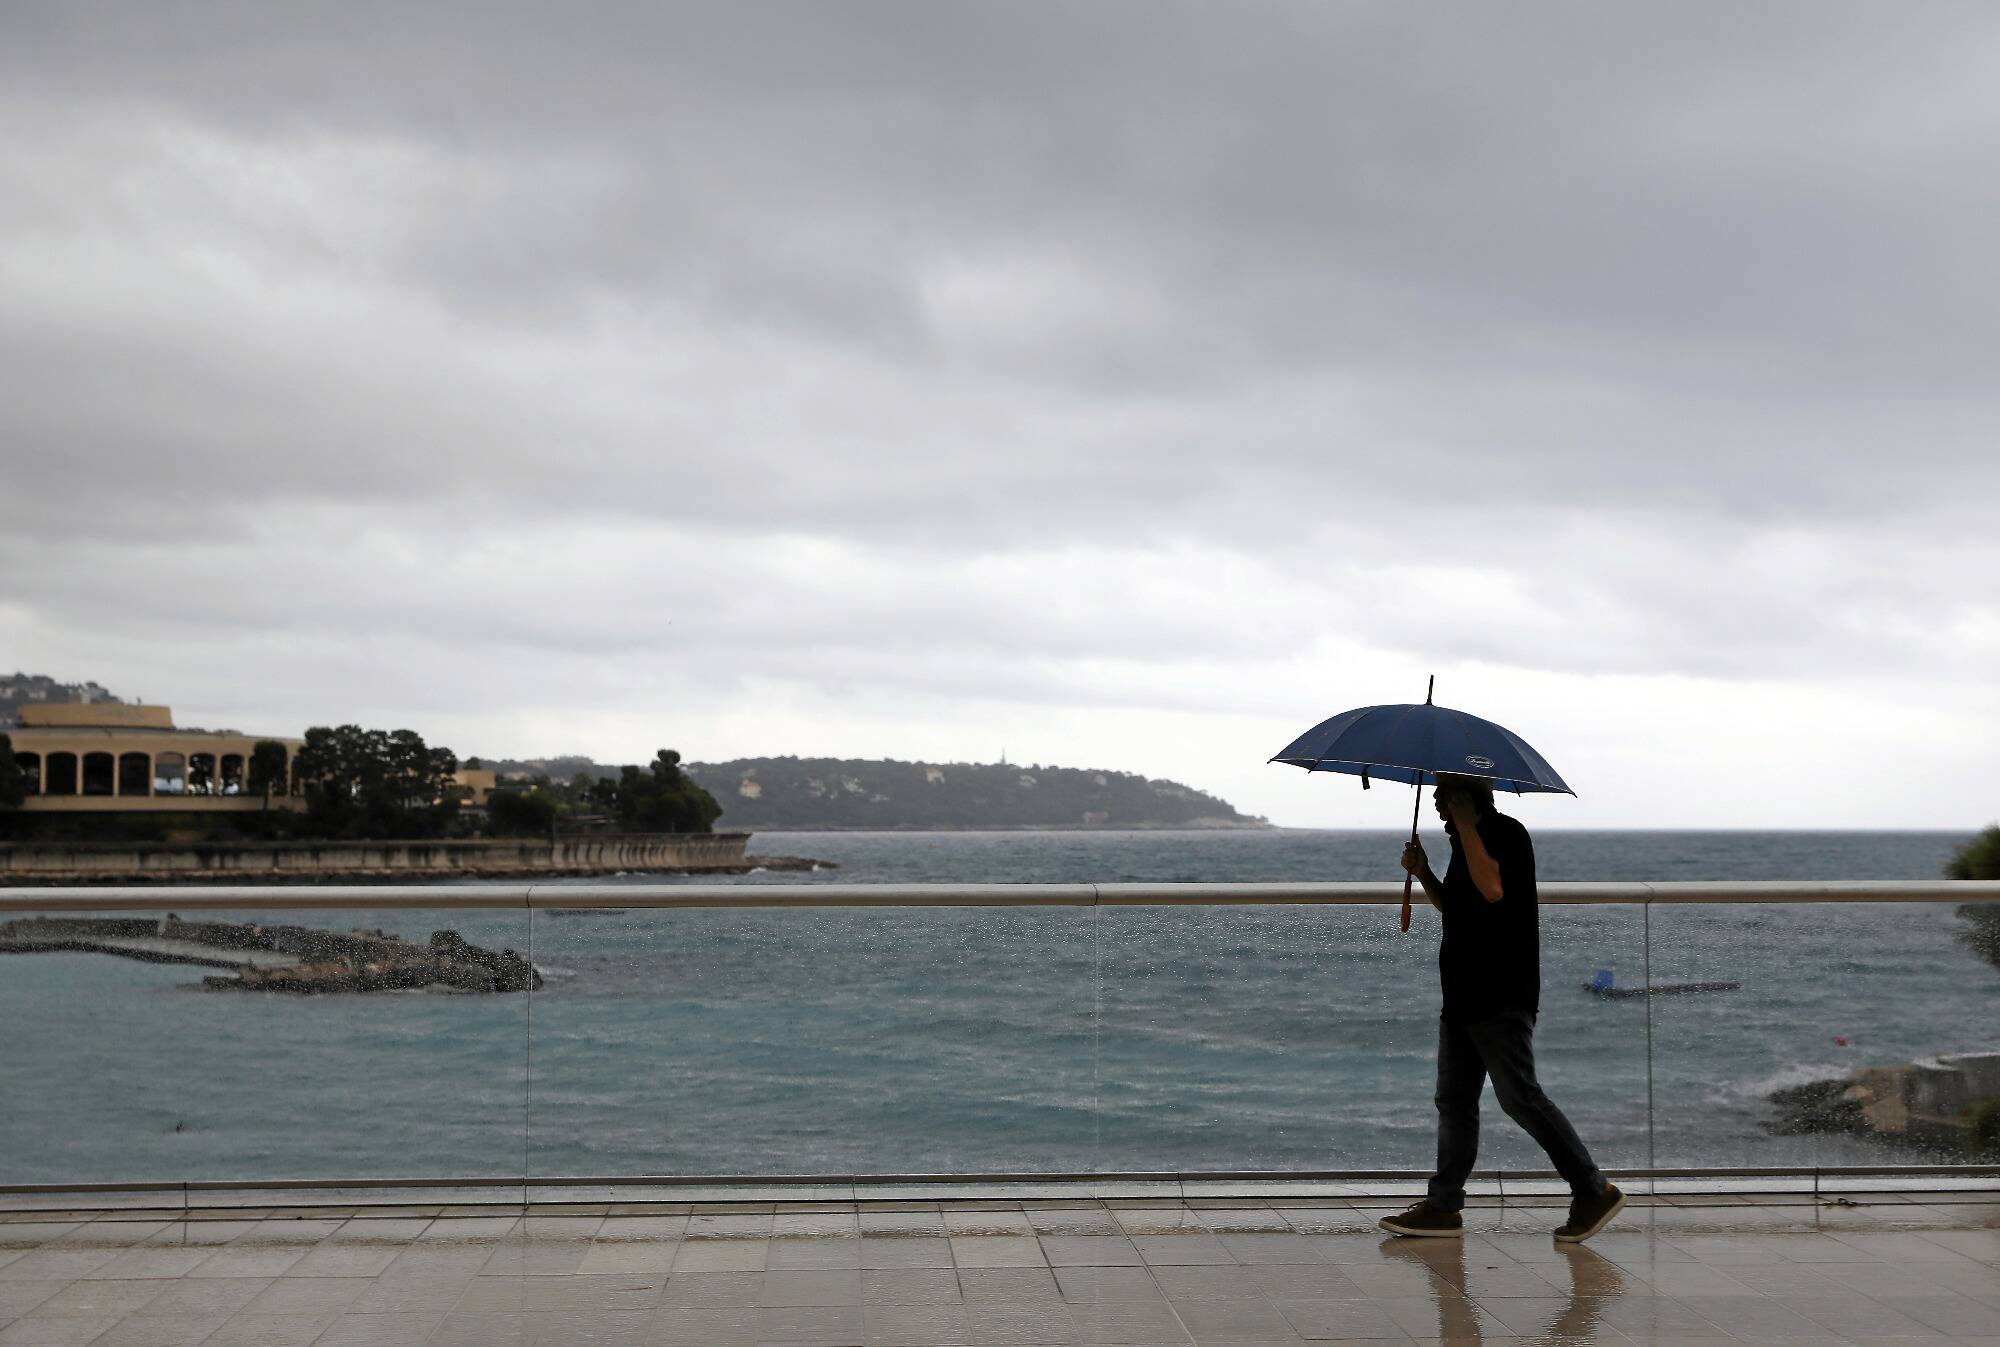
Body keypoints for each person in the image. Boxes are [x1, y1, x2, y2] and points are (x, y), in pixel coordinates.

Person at [1378, 772, 1624, 1242]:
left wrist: (1469, 827)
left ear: (1464, 798)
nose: (1433, 797)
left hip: (1499, 993)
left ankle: (1593, 1189)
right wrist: (1425, 871)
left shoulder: (1504, 833)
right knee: (1454, 1102)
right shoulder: (1463, 841)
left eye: (1444, 792)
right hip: (1463, 995)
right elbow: (1458, 906)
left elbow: (1492, 890)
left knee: (1520, 1097)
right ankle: (1443, 1207)